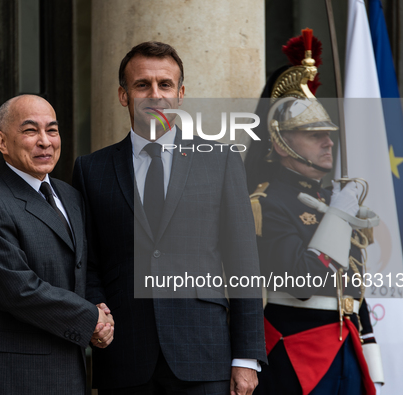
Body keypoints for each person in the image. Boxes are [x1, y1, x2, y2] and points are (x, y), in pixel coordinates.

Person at [73, 41, 267, 395]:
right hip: (124, 355)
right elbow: (87, 260)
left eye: (165, 84)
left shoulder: (219, 160)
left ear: (180, 94)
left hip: (204, 354)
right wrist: (96, 308)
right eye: (142, 84)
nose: (154, 95)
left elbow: (244, 263)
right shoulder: (91, 169)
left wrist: (247, 357)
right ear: (123, 95)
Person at [244, 32, 385, 395]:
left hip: (346, 346)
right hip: (296, 350)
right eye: (313, 134)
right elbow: (302, 283)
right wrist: (337, 218)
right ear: (280, 143)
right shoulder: (266, 202)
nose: (328, 141)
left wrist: (370, 350)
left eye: (329, 133)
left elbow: (354, 284)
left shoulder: (332, 195)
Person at [0, 94, 114, 394]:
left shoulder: (70, 197)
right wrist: (91, 318)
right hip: (14, 376)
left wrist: (100, 313)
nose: (45, 141)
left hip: (69, 371)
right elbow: (18, 290)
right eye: (31, 131)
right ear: (2, 142)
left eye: (52, 130)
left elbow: (81, 271)